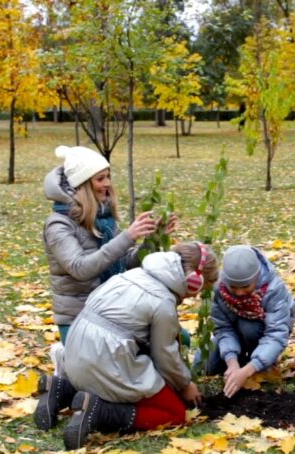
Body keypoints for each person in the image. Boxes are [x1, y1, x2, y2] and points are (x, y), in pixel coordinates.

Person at [35, 145, 175, 430]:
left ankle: (62, 389)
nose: (108, 184)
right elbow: (80, 267)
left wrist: (151, 242)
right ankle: (82, 392)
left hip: (111, 314)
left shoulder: (102, 218)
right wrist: (126, 237)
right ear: (84, 184)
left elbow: (123, 263)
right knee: (119, 377)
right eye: (100, 178)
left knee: (168, 341)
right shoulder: (58, 225)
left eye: (108, 176)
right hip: (78, 318)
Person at [50, 242, 218, 450]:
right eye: (200, 290)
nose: (194, 296)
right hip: (104, 360)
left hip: (76, 356)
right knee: (174, 413)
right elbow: (164, 355)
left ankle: (60, 389)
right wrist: (185, 385)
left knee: (116, 377)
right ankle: (99, 412)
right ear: (194, 281)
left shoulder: (132, 274)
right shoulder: (162, 301)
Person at [200, 245, 295, 398]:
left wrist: (247, 370)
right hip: (234, 332)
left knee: (248, 327)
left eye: (245, 286)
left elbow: (276, 334)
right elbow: (223, 328)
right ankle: (239, 360)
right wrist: (232, 363)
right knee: (206, 366)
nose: (239, 293)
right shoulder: (218, 288)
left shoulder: (273, 289)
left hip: (260, 333)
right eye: (233, 287)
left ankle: (259, 362)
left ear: (256, 277)